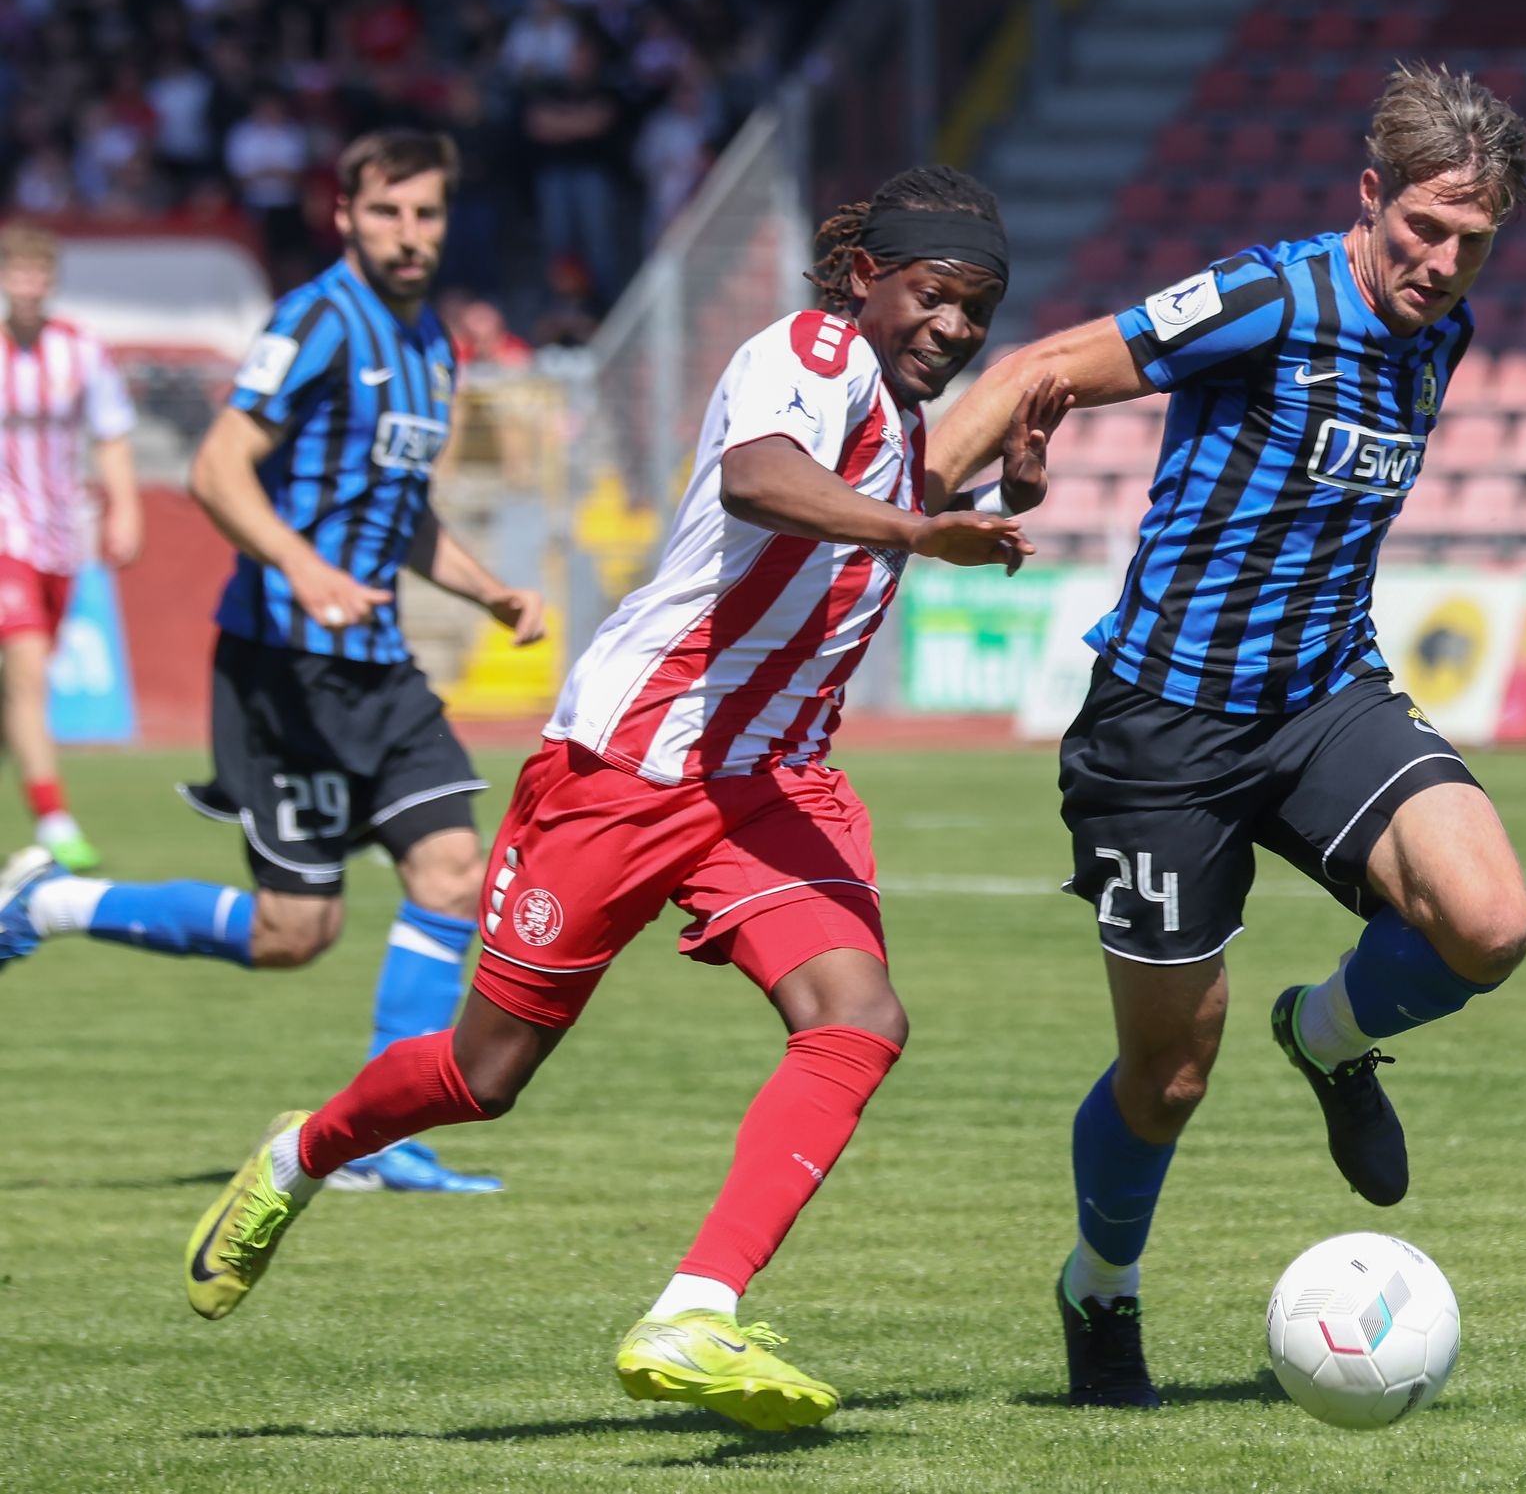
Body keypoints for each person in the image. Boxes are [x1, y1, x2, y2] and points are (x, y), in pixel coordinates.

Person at [178, 165, 1067, 1432]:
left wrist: (998, 496)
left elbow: (878, 505)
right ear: (868, 276)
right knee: (485, 1072)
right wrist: (921, 532)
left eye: (977, 308)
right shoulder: (805, 351)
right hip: (633, 766)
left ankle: (694, 1308)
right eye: (936, 294)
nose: (955, 326)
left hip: (770, 781)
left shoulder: (887, 404)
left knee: (859, 1016)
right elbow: (761, 478)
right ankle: (297, 1154)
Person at [927, 64, 1526, 1408]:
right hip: (1165, 727)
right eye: (1424, 228)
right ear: (1370, 196)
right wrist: (913, 508)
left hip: (1324, 695)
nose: (1442, 264)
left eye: (1472, 242)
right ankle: (1100, 1285)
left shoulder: (1446, 334)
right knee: (1170, 1074)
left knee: (1489, 924)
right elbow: (1040, 366)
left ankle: (1325, 1033)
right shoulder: (1269, 295)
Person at [0, 129, 545, 1195]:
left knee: (452, 872)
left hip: (377, 664)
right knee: (295, 932)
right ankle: (54, 902)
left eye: (426, 213)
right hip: (280, 663)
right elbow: (217, 468)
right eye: (385, 212)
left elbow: (400, 509)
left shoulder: (434, 344)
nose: (408, 234)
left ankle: (378, 1137)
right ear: (344, 216)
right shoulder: (315, 321)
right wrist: (302, 566)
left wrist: (488, 590)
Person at [0, 221, 143, 871]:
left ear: (51, 282)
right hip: (7, 535)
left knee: (25, 683)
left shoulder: (81, 350)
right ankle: (55, 819)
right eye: (17, 273)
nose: (28, 286)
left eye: (38, 274)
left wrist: (126, 508)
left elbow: (111, 434)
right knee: (26, 667)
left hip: (62, 536)